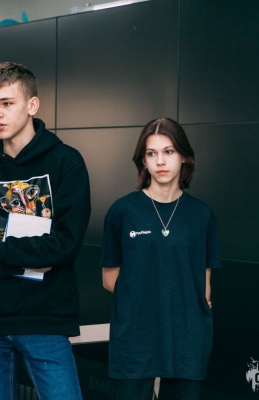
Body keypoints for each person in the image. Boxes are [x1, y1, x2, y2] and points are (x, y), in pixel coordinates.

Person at [0, 61, 91, 400]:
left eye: (7, 103)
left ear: (32, 105)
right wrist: (30, 259)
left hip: (45, 318)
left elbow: (65, 246)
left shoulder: (66, 162)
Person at [101, 117, 221, 400]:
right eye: (152, 153)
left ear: (184, 157)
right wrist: (154, 302)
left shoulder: (202, 215)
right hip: (135, 336)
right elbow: (109, 279)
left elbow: (204, 286)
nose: (161, 161)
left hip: (187, 339)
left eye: (169, 151)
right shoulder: (123, 211)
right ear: (143, 161)